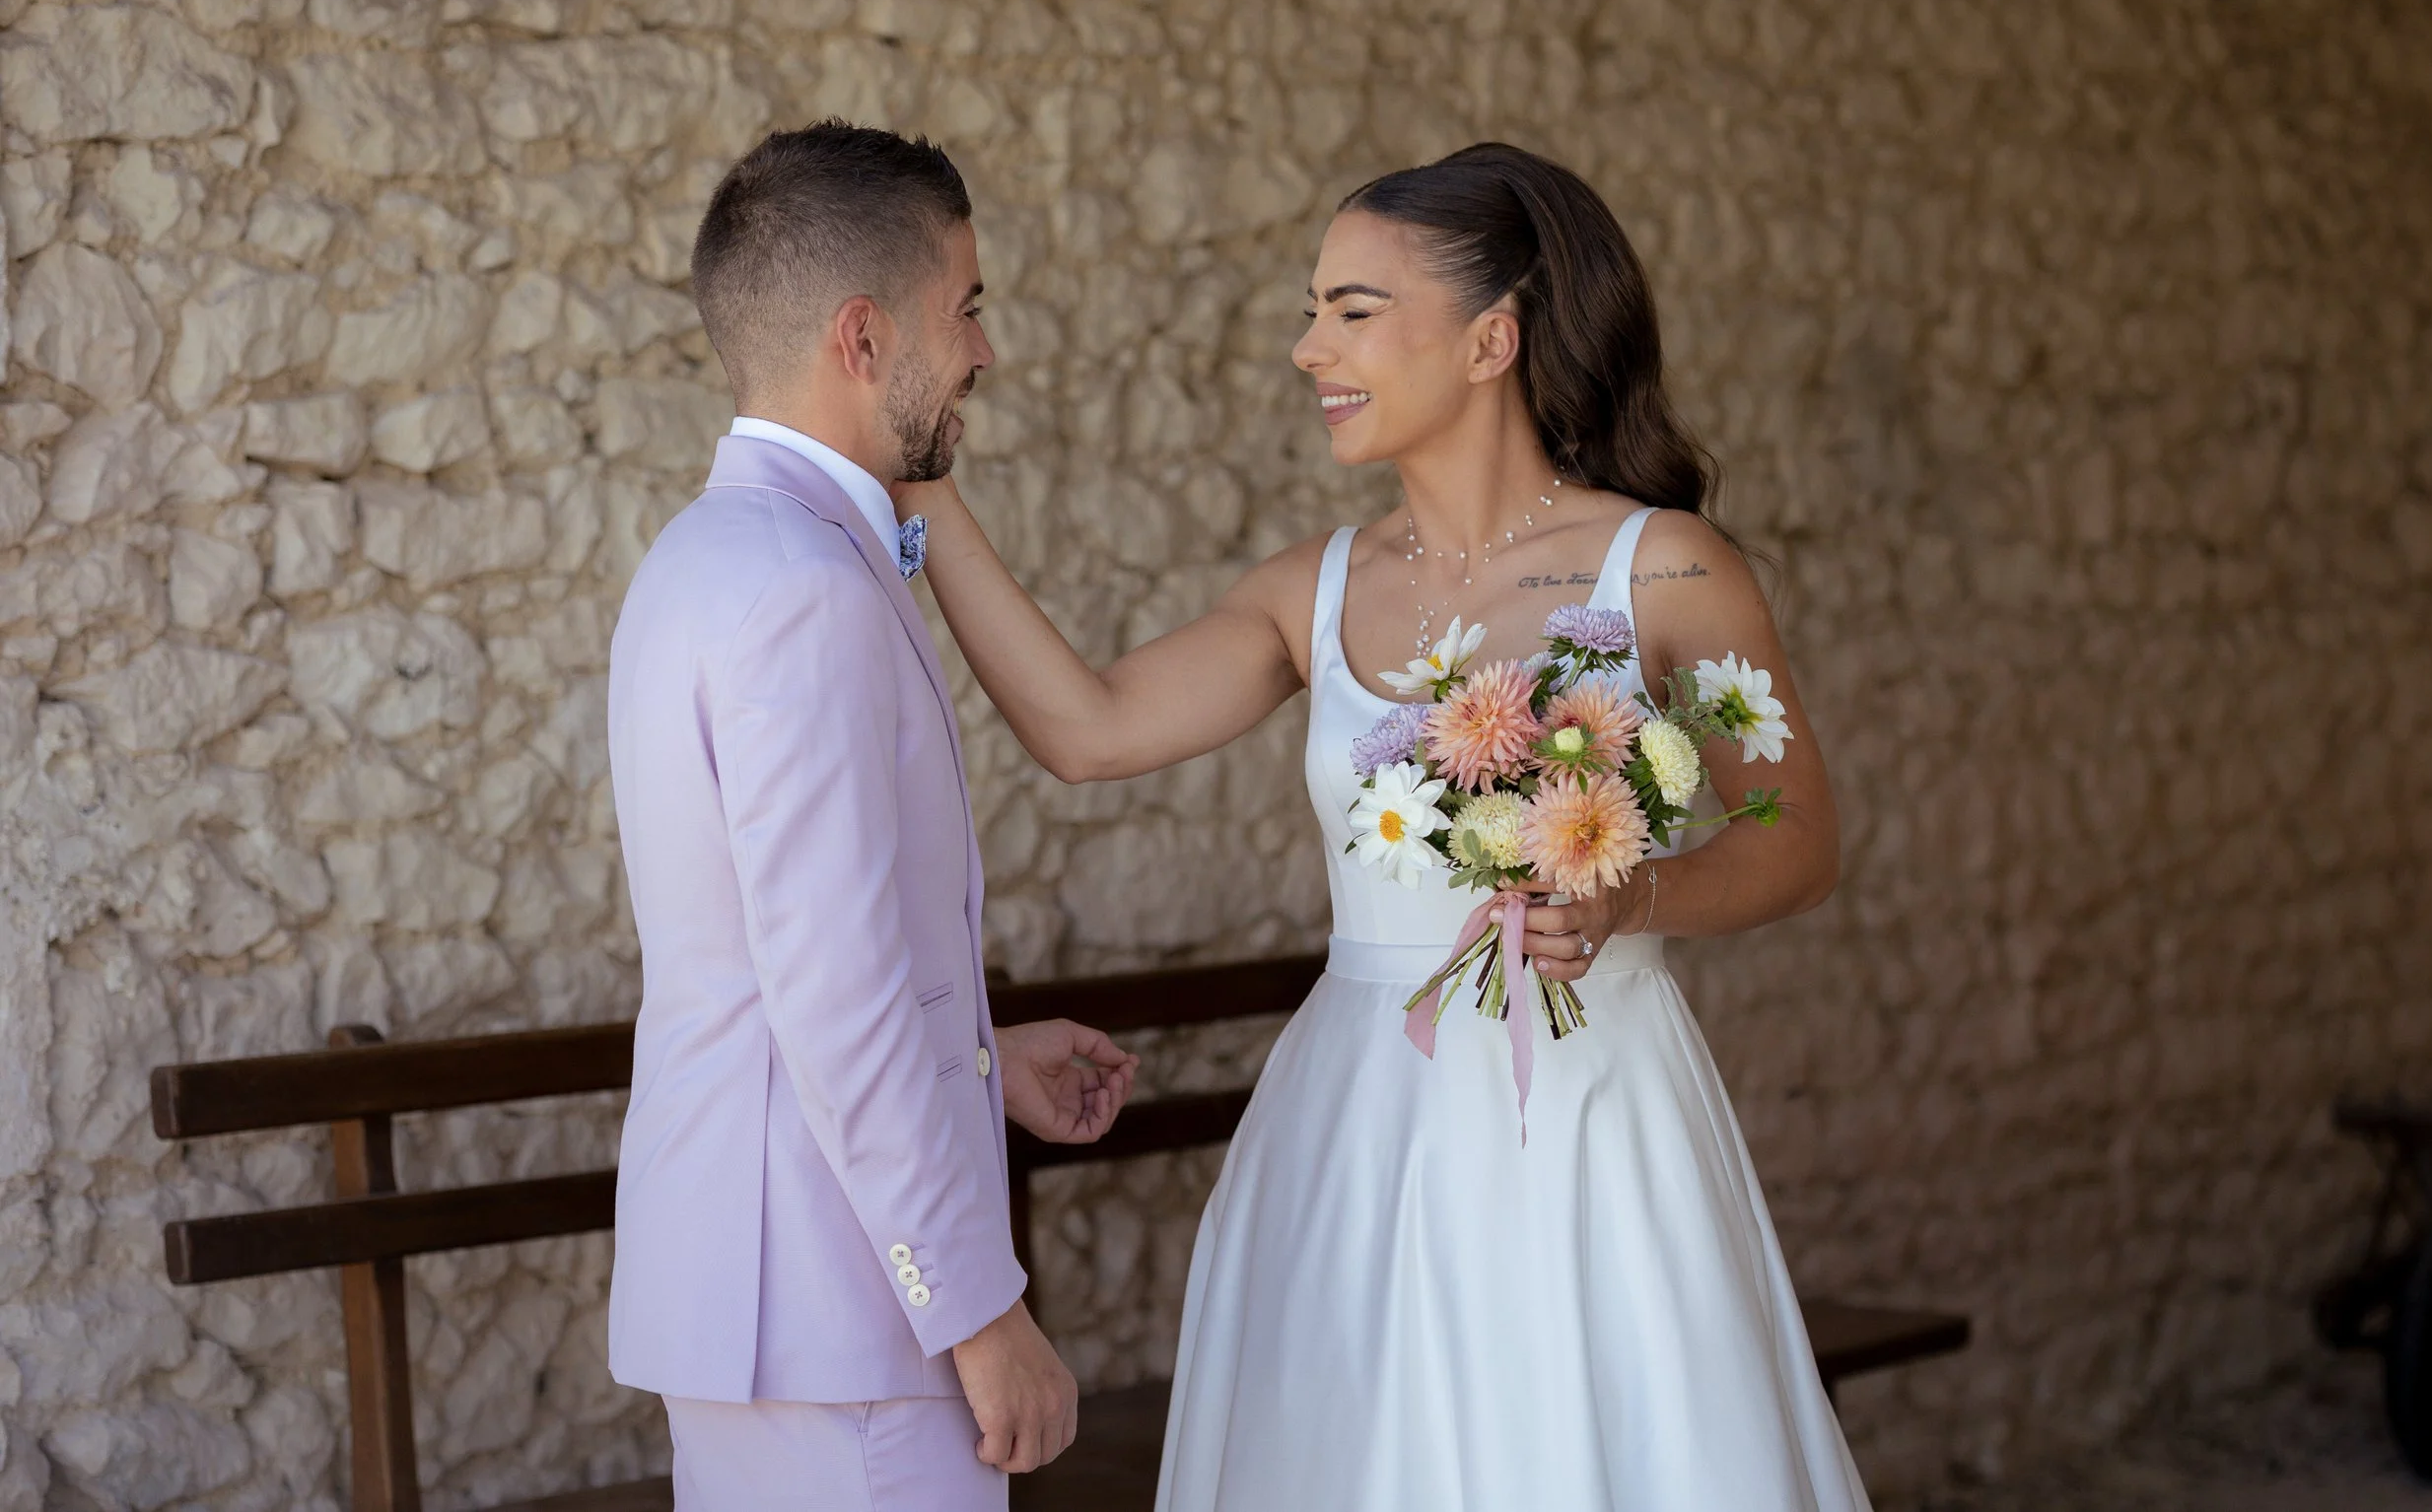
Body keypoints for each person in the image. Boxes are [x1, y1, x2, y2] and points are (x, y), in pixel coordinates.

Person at [897, 141, 1869, 1509]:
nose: (1310, 349)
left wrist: (1631, 900)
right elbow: (1089, 727)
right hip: (1358, 1123)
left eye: (1353, 311)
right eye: (1313, 312)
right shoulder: (1316, 588)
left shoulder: (1665, 569)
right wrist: (921, 486)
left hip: (1591, 1123)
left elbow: (1794, 833)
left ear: (1490, 340)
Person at [603, 120, 1141, 1512]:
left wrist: (982, 1058)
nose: (983, 350)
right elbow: (832, 991)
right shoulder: (804, 587)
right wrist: (978, 1309)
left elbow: (768, 960)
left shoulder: (703, 554)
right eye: (965, 307)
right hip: (843, 1321)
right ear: (863, 334)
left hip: (761, 1300)